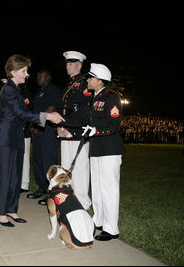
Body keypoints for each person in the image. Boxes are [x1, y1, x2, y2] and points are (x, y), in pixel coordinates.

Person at [0, 54, 64, 227]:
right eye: (24, 70)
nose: (27, 74)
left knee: (15, 176)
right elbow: (21, 113)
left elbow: (24, 113)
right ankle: (0, 212)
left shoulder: (16, 89)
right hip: (5, 138)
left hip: (16, 137)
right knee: (5, 176)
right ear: (14, 71)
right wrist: (47, 116)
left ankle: (11, 210)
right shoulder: (8, 89)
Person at [77, 63, 126, 241]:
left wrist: (96, 131)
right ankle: (98, 220)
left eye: (90, 77)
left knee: (109, 189)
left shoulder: (112, 97)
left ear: (100, 80)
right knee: (97, 188)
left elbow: (114, 126)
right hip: (97, 148)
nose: (88, 80)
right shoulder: (94, 97)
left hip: (110, 149)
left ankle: (112, 228)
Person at [56, 51, 92, 210]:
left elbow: (84, 110)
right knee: (66, 168)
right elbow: (63, 108)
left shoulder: (85, 83)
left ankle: (83, 203)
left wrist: (67, 125)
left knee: (80, 169)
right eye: (66, 63)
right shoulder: (69, 83)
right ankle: (70, 200)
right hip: (66, 132)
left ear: (79, 65)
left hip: (78, 132)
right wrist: (59, 125)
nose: (67, 66)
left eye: (70, 63)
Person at [27, 69, 62, 205]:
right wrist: (32, 125)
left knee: (48, 161)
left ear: (48, 77)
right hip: (38, 132)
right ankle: (41, 187)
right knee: (38, 160)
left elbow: (52, 108)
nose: (37, 78)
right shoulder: (39, 92)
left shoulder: (52, 90)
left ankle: (51, 193)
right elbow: (35, 110)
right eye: (37, 75)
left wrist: (36, 124)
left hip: (48, 130)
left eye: (40, 75)